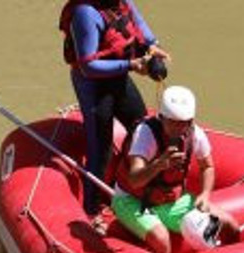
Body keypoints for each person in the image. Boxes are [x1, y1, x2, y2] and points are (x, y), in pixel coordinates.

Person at [59, 0, 170, 224]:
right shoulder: (86, 14)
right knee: (101, 146)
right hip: (93, 85)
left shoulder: (120, 1)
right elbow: (88, 66)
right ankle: (92, 209)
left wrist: (151, 46)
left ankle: (132, 185)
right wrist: (131, 65)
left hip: (118, 76)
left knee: (142, 127)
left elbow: (138, 23)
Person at [112, 85, 239, 253]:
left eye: (183, 123)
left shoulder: (194, 133)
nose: (178, 129)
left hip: (170, 199)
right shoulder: (145, 134)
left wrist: (205, 194)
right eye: (172, 122)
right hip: (132, 199)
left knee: (230, 225)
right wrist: (159, 165)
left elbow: (207, 166)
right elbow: (134, 179)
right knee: (162, 241)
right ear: (162, 117)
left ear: (191, 121)